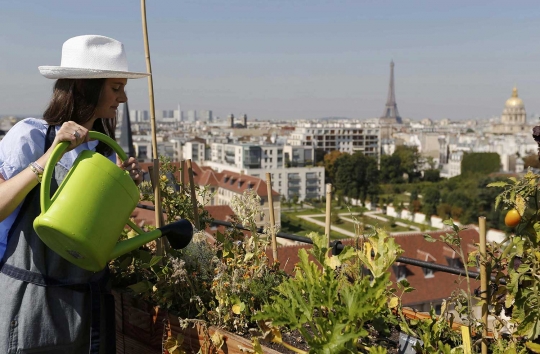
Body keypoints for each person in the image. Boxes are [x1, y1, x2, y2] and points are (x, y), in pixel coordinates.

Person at [0, 35, 149, 354]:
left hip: (86, 311)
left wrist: (123, 192)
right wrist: (49, 156)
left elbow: (96, 237)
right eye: (116, 87)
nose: (122, 98)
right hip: (31, 307)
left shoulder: (105, 154)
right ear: (84, 87)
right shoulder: (32, 137)